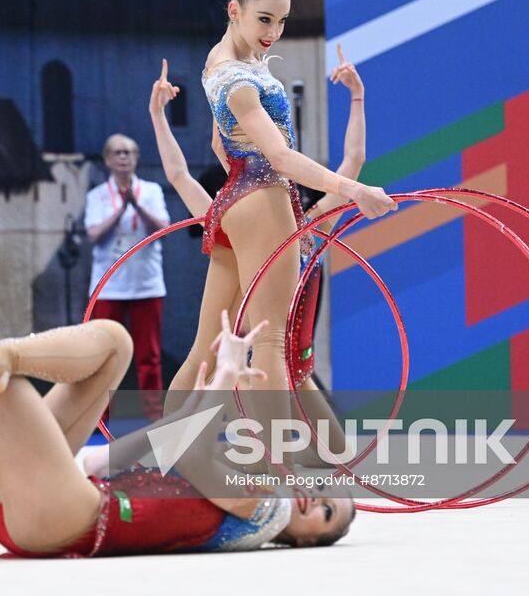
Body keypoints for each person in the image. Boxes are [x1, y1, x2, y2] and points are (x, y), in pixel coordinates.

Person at [0, 314, 354, 564]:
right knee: (110, 344)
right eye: (325, 488)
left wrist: (222, 380)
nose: (316, 498)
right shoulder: (251, 484)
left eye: (326, 513)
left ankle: (0, 360)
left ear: (305, 540)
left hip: (70, 520)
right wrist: (79, 457)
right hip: (55, 497)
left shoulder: (262, 510)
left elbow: (188, 452)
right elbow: (163, 445)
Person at [166, 0, 392, 450]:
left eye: (282, 21)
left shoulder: (221, 64)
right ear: (234, 10)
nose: (273, 32)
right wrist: (354, 191)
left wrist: (242, 182)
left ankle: (165, 457)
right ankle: (275, 472)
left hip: (235, 199)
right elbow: (283, 158)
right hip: (265, 196)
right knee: (269, 343)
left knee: (207, 344)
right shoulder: (239, 81)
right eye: (263, 19)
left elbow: (217, 145)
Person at [150, 45, 367, 461]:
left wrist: (357, 97)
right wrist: (160, 115)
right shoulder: (238, 215)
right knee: (220, 362)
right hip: (260, 362)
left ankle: (241, 453)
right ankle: (188, 455)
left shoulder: (310, 227)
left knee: (335, 452)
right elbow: (181, 174)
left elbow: (354, 159)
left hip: (295, 362)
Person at [83, 134, 170, 404]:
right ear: (108, 159)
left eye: (129, 152)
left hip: (147, 284)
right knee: (105, 355)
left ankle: (154, 417)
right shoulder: (97, 196)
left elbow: (164, 229)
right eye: (118, 153)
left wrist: (137, 205)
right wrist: (121, 209)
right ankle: (100, 417)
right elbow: (94, 235)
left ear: (136, 159)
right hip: (109, 288)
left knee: (149, 356)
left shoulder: (152, 191)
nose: (123, 157)